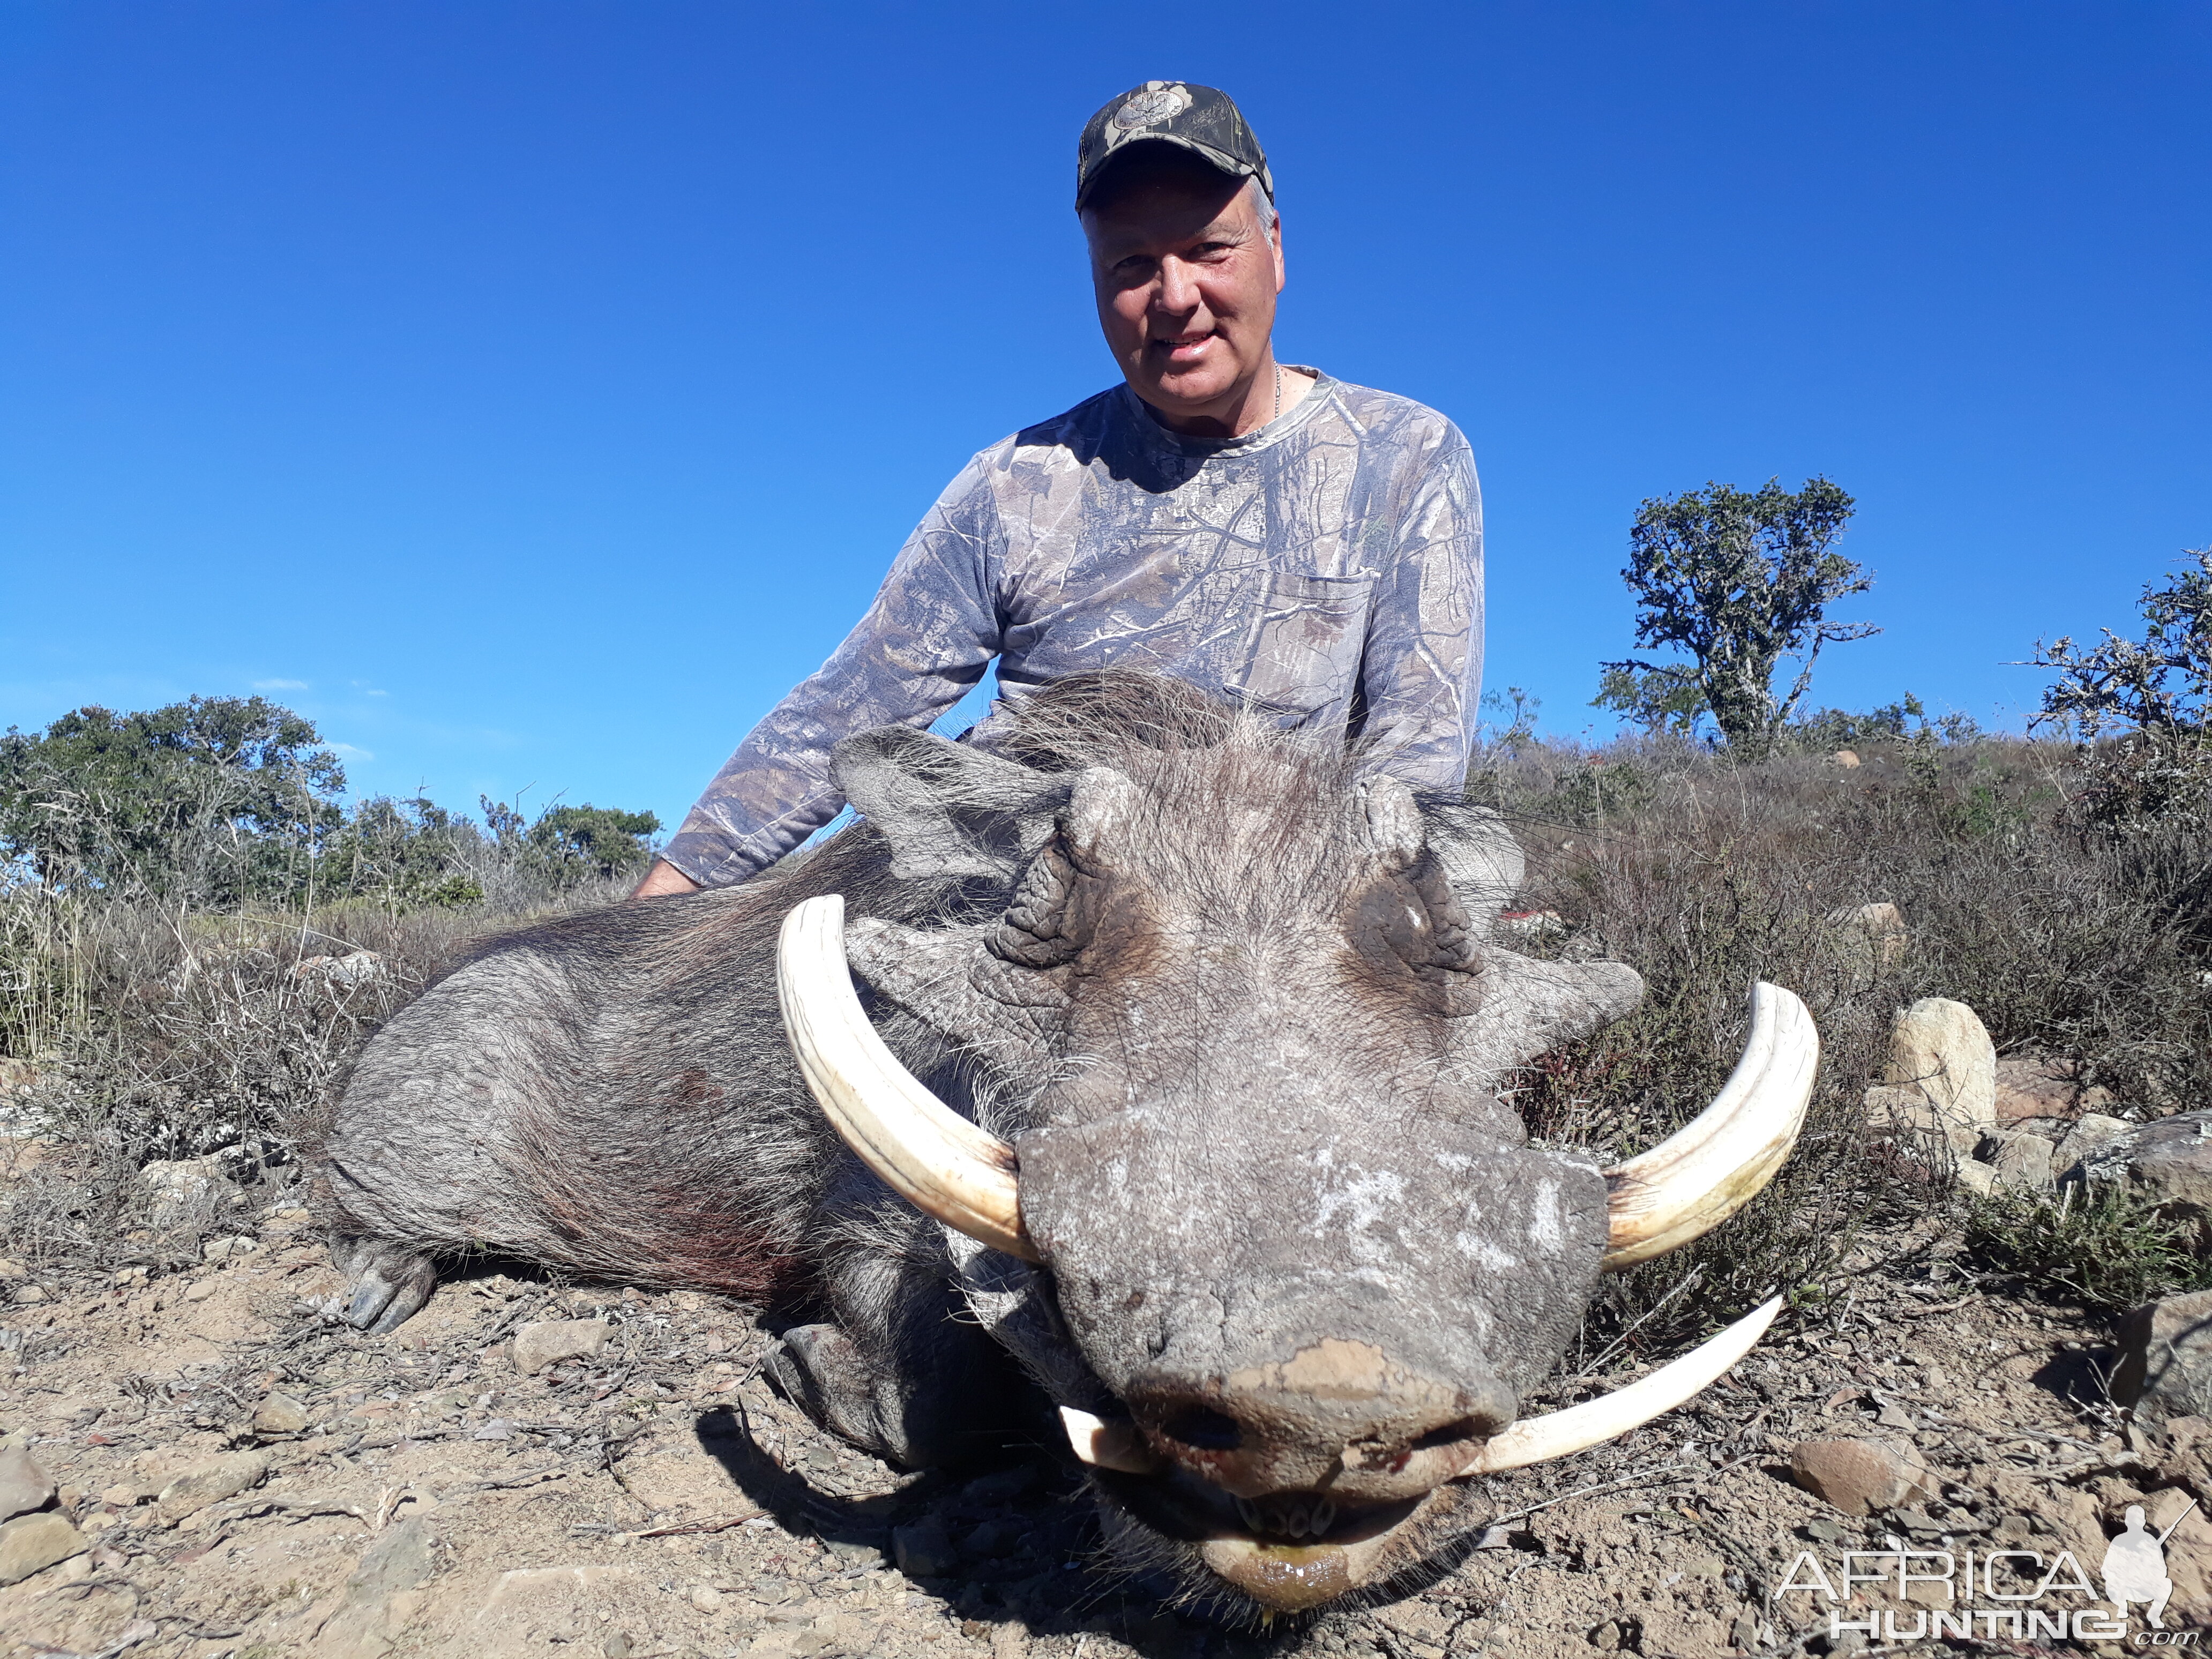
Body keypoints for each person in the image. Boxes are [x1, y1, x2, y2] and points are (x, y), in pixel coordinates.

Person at [634, 81, 1483, 897]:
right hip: (1011, 924)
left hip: (1263, 932)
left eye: (1209, 250)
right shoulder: (1017, 482)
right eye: (1132, 264)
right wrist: (659, 913)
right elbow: (847, 711)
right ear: (1095, 282)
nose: (1176, 296)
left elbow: (1414, 770)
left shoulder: (1405, 456)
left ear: (1276, 250)